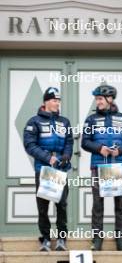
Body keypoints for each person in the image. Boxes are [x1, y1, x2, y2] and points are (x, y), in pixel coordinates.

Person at [81, 84, 122, 251]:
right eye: (96, 99)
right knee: (97, 204)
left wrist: (119, 150)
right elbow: (85, 141)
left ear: (110, 99)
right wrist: (100, 149)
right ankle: (97, 240)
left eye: (100, 99)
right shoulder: (91, 119)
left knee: (120, 204)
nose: (97, 102)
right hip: (97, 167)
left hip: (117, 167)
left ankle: (120, 240)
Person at [23, 87, 73, 252]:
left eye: (58, 100)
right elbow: (30, 145)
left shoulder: (64, 121)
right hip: (43, 168)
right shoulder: (34, 121)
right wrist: (47, 157)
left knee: (61, 205)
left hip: (60, 169)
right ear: (45, 102)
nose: (57, 103)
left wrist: (66, 155)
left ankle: (61, 239)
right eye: (53, 100)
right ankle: (45, 238)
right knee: (43, 206)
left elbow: (69, 142)